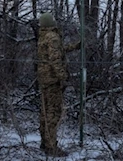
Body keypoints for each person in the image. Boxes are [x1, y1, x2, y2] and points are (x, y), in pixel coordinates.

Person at [36, 12, 79, 156]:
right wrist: (63, 77)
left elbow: (57, 51)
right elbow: (55, 59)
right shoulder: (53, 37)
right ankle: (51, 147)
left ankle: (44, 143)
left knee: (45, 111)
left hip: (44, 79)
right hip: (53, 80)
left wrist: (75, 47)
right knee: (53, 113)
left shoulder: (43, 36)